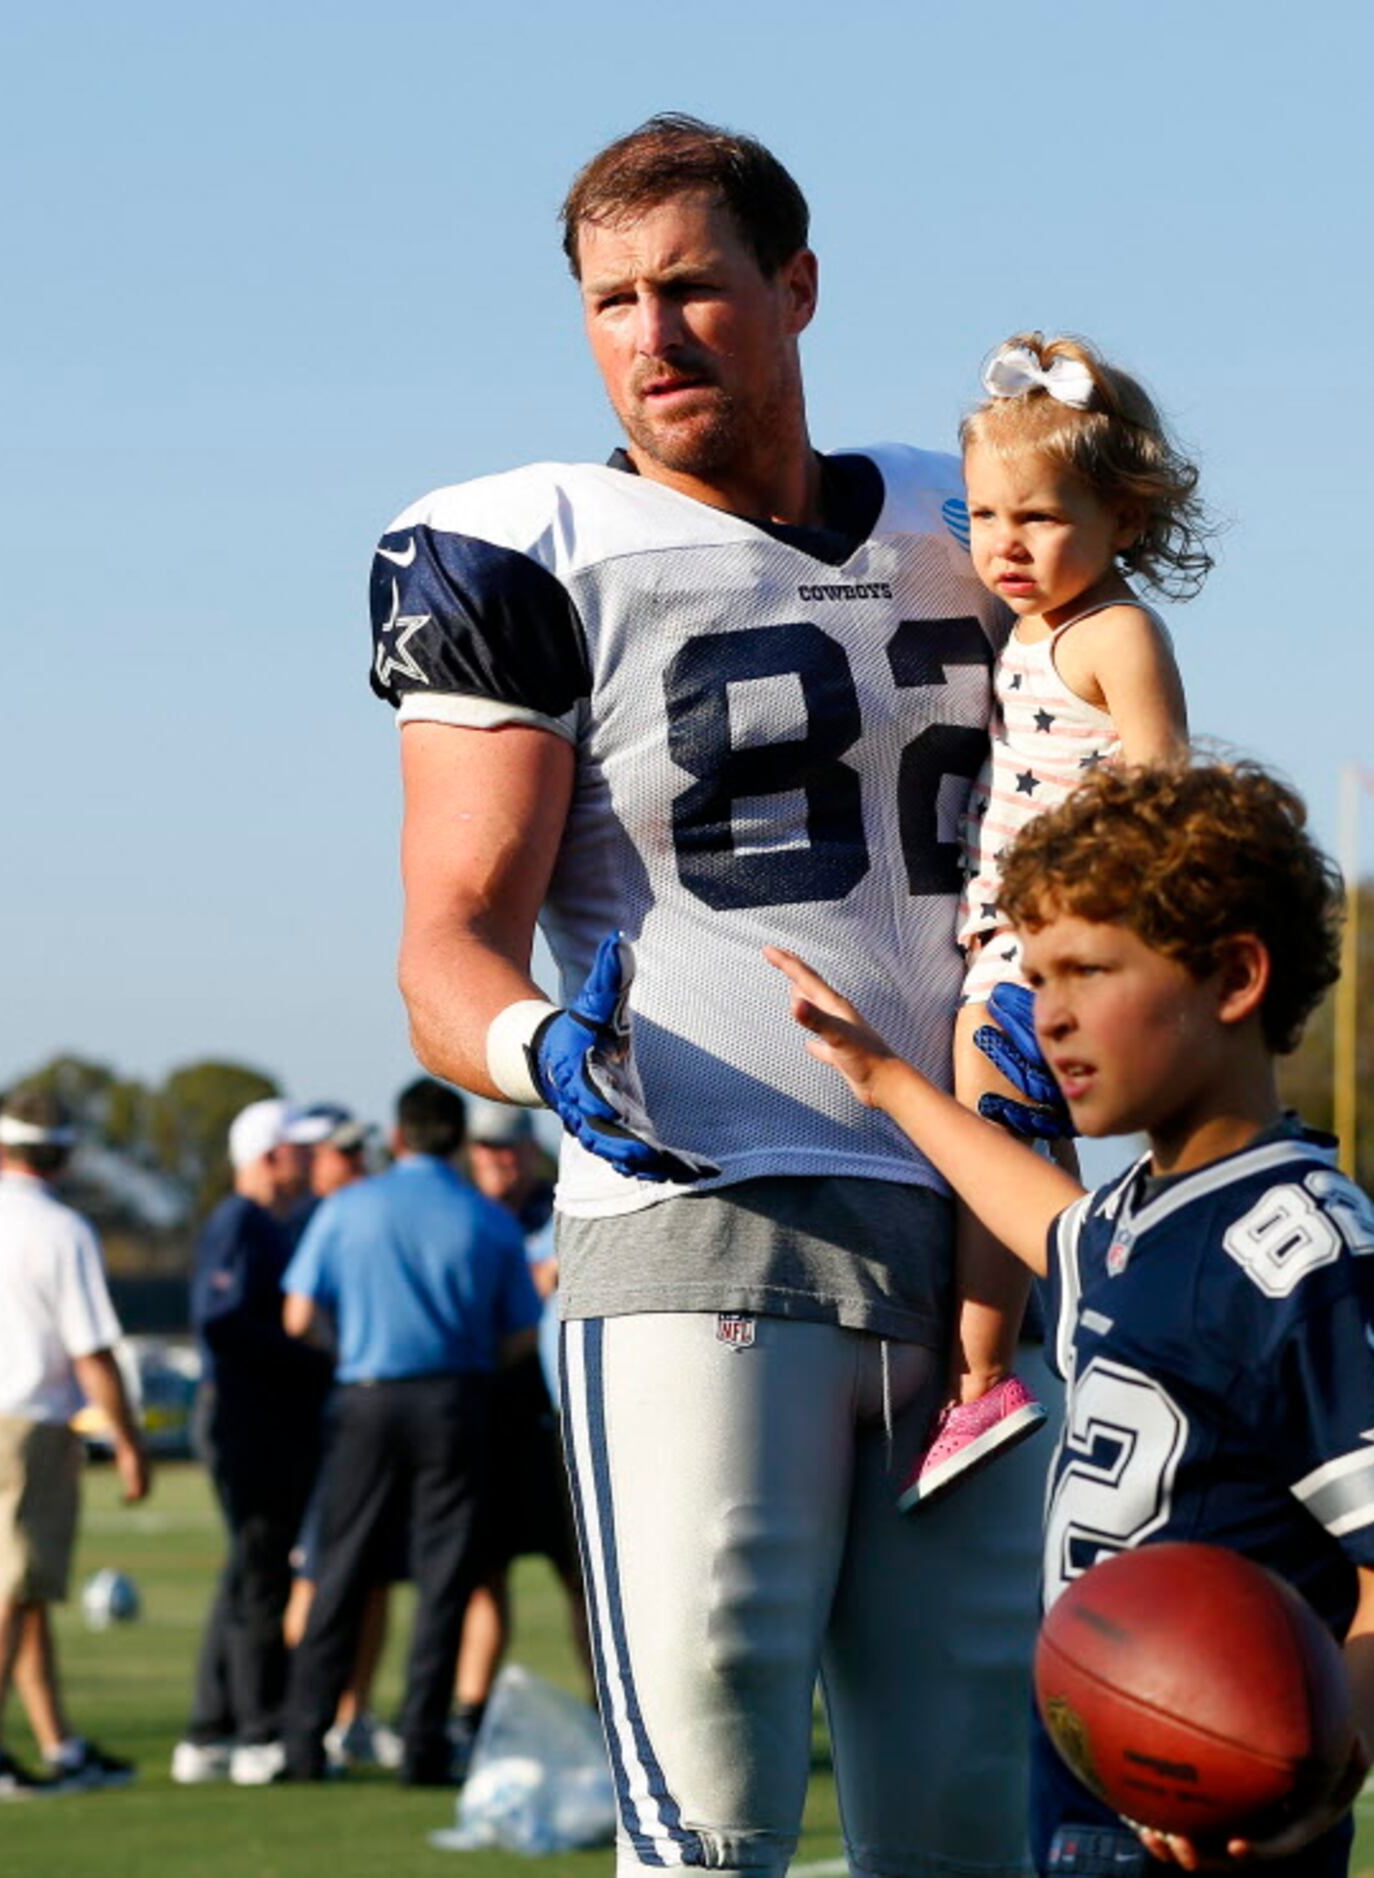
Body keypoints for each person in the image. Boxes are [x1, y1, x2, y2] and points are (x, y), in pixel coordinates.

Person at [373, 113, 1041, 1872]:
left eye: (694, 288)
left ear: (798, 286)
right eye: (612, 300)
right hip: (703, 1212)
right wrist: (534, 1046)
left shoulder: (963, 512)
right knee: (711, 1795)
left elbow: (1122, 733)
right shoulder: (529, 548)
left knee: (970, 1801)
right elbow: (446, 933)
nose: (651, 337)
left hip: (985, 1234)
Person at [772, 759, 1374, 1877]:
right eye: (1037, 976)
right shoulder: (1133, 1217)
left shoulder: (1305, 1249)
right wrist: (886, 1080)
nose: (1049, 1017)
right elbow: (1049, 1221)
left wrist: (1316, 1774)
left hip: (1223, 1797)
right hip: (1088, 1764)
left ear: (1234, 978)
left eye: (1088, 971)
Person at [908, 332, 1206, 1509]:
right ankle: (1096, 1344)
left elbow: (1162, 785)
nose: (1004, 547)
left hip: (1057, 940)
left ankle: (981, 1378)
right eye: (984, 519)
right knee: (1022, 1145)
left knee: (992, 1130)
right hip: (1003, 933)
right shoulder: (1029, 627)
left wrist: (1110, 933)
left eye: (1036, 519)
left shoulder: (1116, 634)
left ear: (1123, 517)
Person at [276, 1078, 540, 1786]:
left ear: (397, 1138)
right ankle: (424, 1745)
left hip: (365, 1397)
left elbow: (298, 1317)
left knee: (341, 1567)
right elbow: (522, 1333)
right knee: (445, 1575)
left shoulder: (348, 1208)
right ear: (456, 1141)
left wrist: (356, 1350)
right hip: (455, 1401)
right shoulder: (486, 1221)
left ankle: (303, 1742)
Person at [0, 1088, 150, 1802]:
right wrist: (130, 1441)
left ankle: (62, 1746)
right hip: (29, 1428)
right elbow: (92, 1352)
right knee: (8, 1597)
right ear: (65, 1153)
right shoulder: (64, 1230)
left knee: (23, 1596)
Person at [175, 1099, 331, 1787]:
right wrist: (308, 1359)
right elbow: (224, 1321)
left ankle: (213, 1727)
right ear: (270, 1155)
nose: (308, 1158)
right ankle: (256, 1729)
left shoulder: (265, 1224)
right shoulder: (241, 1223)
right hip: (248, 1419)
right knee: (262, 1574)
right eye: (298, 1148)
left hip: (261, 1415)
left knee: (249, 1570)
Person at [453, 1101, 592, 1761]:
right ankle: (469, 1714)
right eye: (486, 1151)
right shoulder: (461, 1218)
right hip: (483, 1421)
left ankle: (606, 1709)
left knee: (582, 1576)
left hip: (556, 1419)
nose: (498, 1161)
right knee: (484, 1576)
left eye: (508, 1150)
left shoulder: (562, 1207)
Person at [276, 1106, 404, 1774]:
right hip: (343, 1419)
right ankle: (314, 1713)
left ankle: (341, 1715)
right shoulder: (340, 1215)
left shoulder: (344, 1214)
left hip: (351, 1412)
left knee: (355, 1573)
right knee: (330, 1574)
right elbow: (297, 1318)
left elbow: (299, 1316)